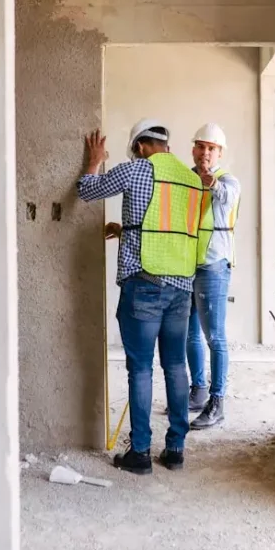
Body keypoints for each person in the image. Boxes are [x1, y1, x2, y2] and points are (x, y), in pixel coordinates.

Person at [77, 119, 203, 475]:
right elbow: (168, 229)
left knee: (141, 368)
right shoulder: (191, 180)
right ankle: (175, 450)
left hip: (144, 284)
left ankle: (141, 453)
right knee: (176, 366)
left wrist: (94, 161)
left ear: (141, 147)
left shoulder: (135, 170)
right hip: (181, 286)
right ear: (166, 146)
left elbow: (87, 190)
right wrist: (126, 230)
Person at [186, 123, 241, 430]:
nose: (205, 153)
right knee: (190, 334)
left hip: (213, 266)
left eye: (211, 148)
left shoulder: (228, 181)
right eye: (201, 146)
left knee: (215, 337)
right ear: (193, 149)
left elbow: (226, 199)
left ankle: (217, 402)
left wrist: (211, 183)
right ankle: (198, 391)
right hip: (187, 265)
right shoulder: (188, 179)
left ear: (219, 153)